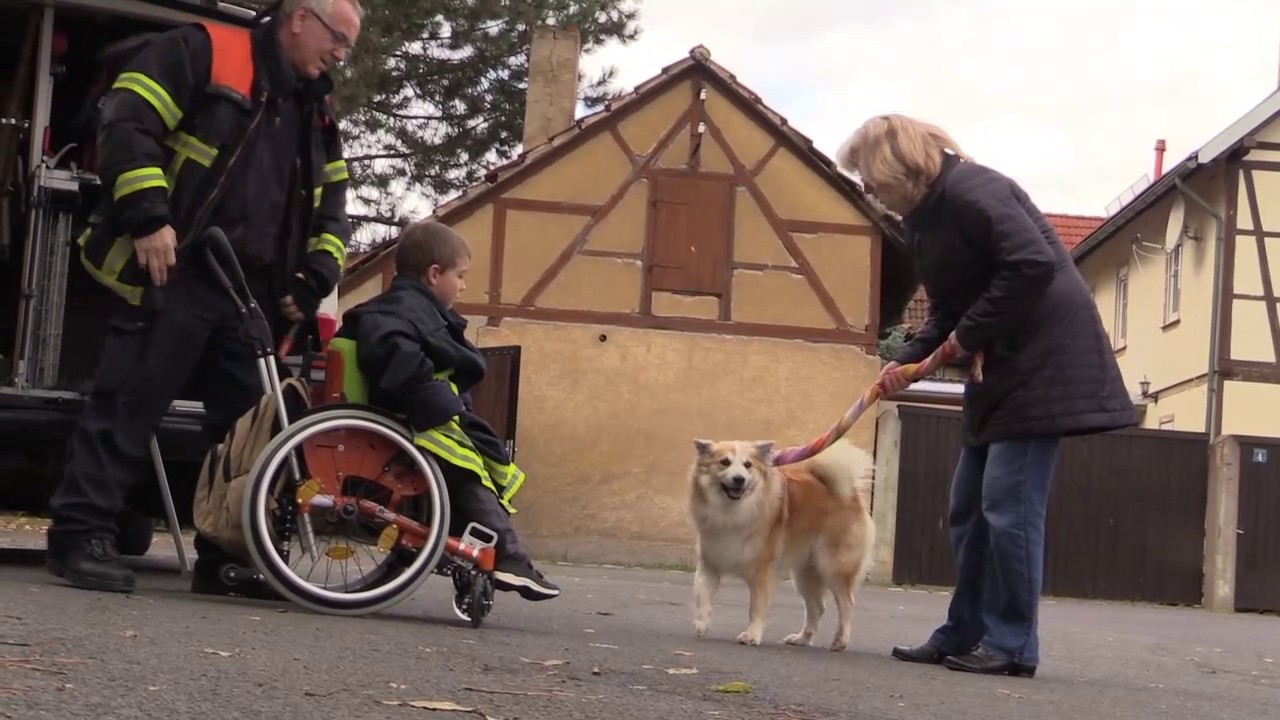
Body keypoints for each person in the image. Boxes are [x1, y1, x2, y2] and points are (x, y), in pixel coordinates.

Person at [45, 0, 364, 596]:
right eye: (338, 39)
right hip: (178, 268)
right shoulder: (203, 51)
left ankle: (229, 555)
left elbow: (333, 204)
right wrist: (147, 216)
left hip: (250, 293)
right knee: (127, 406)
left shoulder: (315, 106)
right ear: (299, 17)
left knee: (246, 432)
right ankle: (80, 535)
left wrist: (317, 272)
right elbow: (127, 121)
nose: (341, 55)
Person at [837, 114, 1136, 677]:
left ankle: (1013, 645)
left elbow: (1031, 265)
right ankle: (964, 631)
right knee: (968, 510)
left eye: (866, 175)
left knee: (1008, 509)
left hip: (1042, 365)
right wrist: (903, 363)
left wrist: (963, 340)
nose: (865, 187)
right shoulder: (925, 222)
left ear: (893, 161)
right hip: (994, 370)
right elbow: (949, 309)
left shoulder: (977, 191)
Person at [332, 219, 562, 602]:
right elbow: (398, 359)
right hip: (409, 417)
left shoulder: (403, 309)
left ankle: (492, 551)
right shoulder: (396, 313)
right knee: (467, 468)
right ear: (434, 274)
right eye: (461, 275)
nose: (464, 285)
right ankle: (508, 556)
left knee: (471, 459)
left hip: (414, 412)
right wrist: (440, 400)